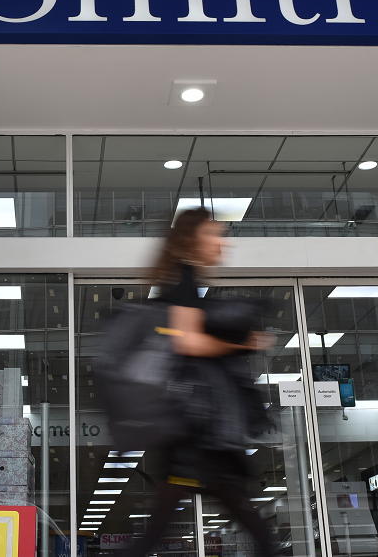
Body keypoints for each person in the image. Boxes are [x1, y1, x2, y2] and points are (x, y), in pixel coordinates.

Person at [120, 207, 275, 557]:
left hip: (189, 432)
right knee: (246, 516)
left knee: (164, 523)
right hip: (196, 430)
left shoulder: (180, 280)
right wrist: (242, 344)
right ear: (192, 239)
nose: (221, 243)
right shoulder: (183, 280)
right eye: (214, 234)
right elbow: (189, 343)